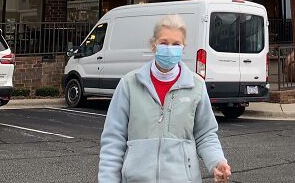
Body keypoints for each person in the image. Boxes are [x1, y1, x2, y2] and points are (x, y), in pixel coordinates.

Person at [98, 14, 232, 183]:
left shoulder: (196, 86)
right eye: (164, 43)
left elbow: (205, 134)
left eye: (176, 44)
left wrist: (217, 162)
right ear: (153, 45)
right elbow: (113, 140)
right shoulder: (129, 84)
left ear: (183, 48)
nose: (170, 48)